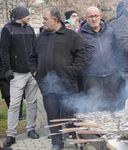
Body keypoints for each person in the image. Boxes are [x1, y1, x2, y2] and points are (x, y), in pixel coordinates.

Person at [29, 6, 86, 150]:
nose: (43, 21)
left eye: (45, 19)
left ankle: (76, 141)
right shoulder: (40, 37)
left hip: (68, 85)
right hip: (47, 86)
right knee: (52, 115)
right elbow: (32, 58)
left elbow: (81, 58)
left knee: (71, 114)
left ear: (55, 20)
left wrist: (69, 73)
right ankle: (56, 142)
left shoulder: (72, 36)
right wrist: (36, 73)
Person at [0, 6, 40, 147]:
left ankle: (31, 129)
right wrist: (7, 70)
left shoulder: (29, 29)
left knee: (32, 103)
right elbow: (3, 51)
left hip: (31, 73)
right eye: (27, 14)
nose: (29, 16)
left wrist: (36, 68)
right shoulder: (7, 29)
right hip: (16, 74)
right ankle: (11, 134)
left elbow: (35, 49)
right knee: (14, 105)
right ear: (20, 15)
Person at [78, 6, 122, 112]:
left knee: (113, 107)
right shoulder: (79, 35)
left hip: (111, 76)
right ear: (86, 18)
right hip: (92, 78)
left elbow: (117, 51)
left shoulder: (110, 31)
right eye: (91, 16)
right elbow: (78, 56)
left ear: (100, 16)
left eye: (96, 16)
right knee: (94, 108)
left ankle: (111, 128)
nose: (94, 19)